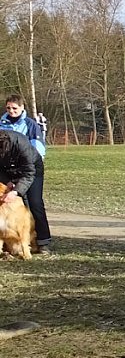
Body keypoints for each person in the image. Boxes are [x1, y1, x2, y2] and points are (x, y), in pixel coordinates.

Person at [0, 95, 52, 253]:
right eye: (8, 108)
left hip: (32, 168)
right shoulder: (2, 124)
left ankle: (42, 240)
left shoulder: (26, 134)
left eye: (15, 108)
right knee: (16, 205)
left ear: (22, 108)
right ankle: (12, 239)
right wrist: (7, 181)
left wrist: (17, 189)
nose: (11, 111)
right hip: (10, 169)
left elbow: (30, 170)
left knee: (34, 203)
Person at [0, 130, 38, 206]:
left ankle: (38, 217)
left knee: (35, 202)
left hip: (32, 166)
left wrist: (15, 192)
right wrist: (7, 181)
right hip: (8, 167)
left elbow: (29, 173)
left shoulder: (21, 144)